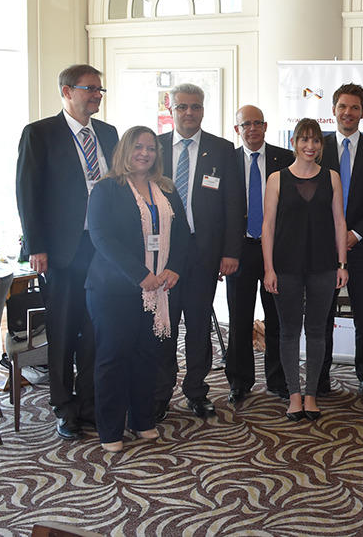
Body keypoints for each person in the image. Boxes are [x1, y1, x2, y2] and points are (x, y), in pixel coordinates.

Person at [16, 64, 119, 440]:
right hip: (61, 250)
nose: (96, 95)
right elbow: (27, 193)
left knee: (95, 327)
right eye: (90, 88)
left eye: (99, 90)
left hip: (103, 249)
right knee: (62, 329)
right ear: (66, 91)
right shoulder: (40, 134)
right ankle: (64, 406)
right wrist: (37, 246)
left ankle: (90, 403)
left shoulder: (108, 133)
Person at [85, 126, 189, 452]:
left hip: (157, 289)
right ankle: (110, 430)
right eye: (138, 147)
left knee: (147, 356)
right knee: (113, 359)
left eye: (151, 148)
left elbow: (183, 234)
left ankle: (143, 420)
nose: (145, 153)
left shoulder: (166, 188)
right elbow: (101, 237)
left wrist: (174, 268)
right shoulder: (106, 189)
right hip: (113, 290)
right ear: (125, 150)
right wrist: (140, 274)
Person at [156, 83, 244, 421]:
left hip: (204, 252)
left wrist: (231, 251)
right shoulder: (153, 147)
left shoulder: (221, 149)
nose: (189, 112)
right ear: (171, 110)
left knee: (197, 324)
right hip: (163, 254)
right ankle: (161, 391)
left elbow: (234, 204)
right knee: (164, 325)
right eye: (182, 107)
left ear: (203, 110)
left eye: (195, 107)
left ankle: (196, 391)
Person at [262, 118, 348, 421]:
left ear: (321, 145)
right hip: (285, 266)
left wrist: (342, 264)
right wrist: (268, 269)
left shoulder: (332, 178)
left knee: (316, 331)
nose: (310, 146)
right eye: (304, 140)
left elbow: (340, 223)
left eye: (315, 140)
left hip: (323, 266)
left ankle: (311, 394)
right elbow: (267, 226)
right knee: (288, 332)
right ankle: (294, 395)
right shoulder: (276, 179)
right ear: (294, 143)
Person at [225, 105, 294, 405]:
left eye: (257, 123)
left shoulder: (285, 159)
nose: (252, 129)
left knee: (276, 318)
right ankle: (239, 381)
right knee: (239, 319)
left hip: (276, 251)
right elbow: (220, 210)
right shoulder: (226, 161)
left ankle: (278, 380)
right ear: (237, 129)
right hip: (238, 251)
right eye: (245, 124)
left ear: (266, 126)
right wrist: (222, 252)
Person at [319, 84, 363, 400]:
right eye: (342, 106)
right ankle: (319, 377)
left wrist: (355, 234)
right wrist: (331, 235)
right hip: (324, 247)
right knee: (322, 315)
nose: (348, 113)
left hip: (360, 245)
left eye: (355, 107)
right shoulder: (317, 147)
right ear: (333, 110)